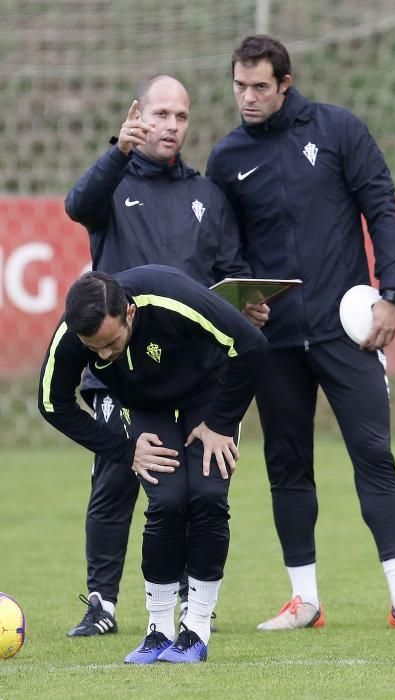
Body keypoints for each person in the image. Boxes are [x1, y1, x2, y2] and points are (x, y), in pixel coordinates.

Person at [206, 34, 395, 630]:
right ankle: (304, 601)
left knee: (374, 453)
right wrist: (242, 302)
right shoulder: (227, 157)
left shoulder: (338, 130)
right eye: (239, 85)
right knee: (288, 466)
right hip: (276, 341)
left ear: (285, 83)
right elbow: (223, 250)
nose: (247, 97)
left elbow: (382, 208)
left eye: (260, 86)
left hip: (349, 333)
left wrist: (391, 294)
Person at [64, 75, 268, 637]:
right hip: (120, 369)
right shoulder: (113, 184)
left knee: (186, 488)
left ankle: (186, 596)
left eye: (180, 116)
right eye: (160, 115)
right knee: (116, 476)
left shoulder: (206, 195)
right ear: (139, 118)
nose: (171, 126)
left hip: (192, 370)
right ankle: (102, 603)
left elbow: (229, 269)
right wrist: (117, 151)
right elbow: (76, 205)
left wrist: (246, 303)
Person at [38, 265, 268, 663]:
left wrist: (221, 423)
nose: (103, 354)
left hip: (207, 397)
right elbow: (51, 402)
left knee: (209, 496)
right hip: (147, 408)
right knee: (167, 502)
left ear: (128, 313)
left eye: (110, 343)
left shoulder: (170, 295)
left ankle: (195, 630)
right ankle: (158, 631)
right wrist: (125, 451)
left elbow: (251, 345)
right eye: (94, 349)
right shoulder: (77, 332)